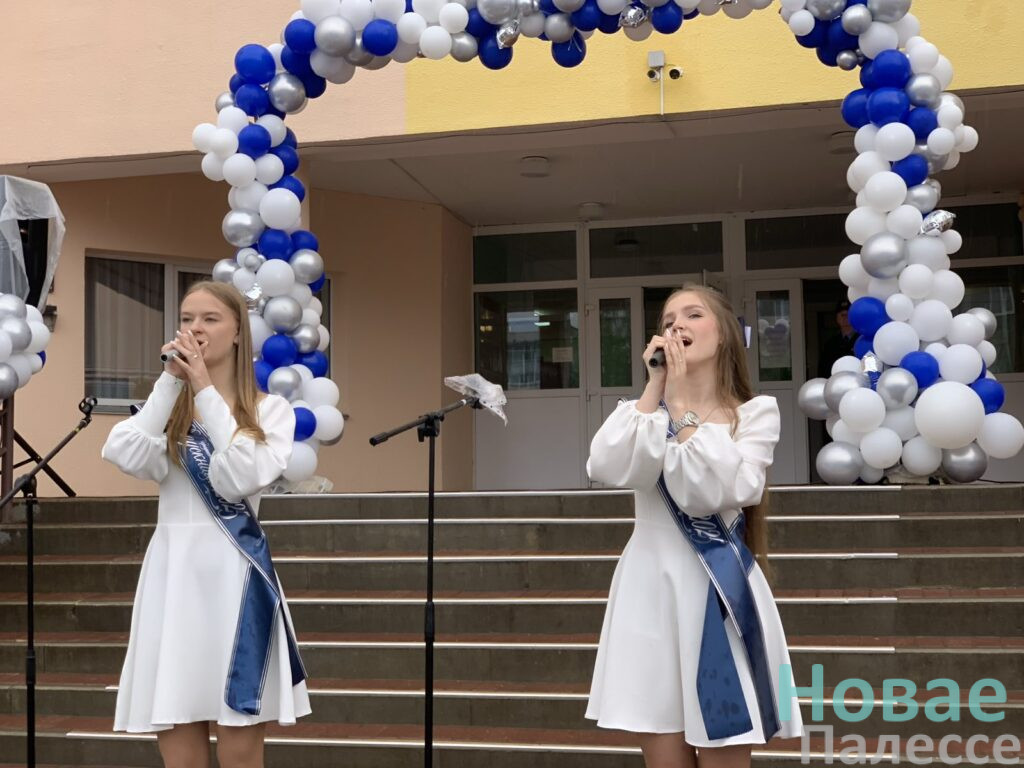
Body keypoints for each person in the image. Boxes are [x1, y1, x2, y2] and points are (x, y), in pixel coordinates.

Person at [585, 283, 802, 768]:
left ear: (723, 334)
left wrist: (683, 409)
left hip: (720, 593)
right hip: (650, 591)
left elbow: (711, 492)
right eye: (668, 321)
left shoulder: (754, 415)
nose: (677, 326)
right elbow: (605, 466)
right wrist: (657, 389)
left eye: (693, 315)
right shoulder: (643, 415)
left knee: (725, 744)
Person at [101, 281, 310, 768]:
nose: (195, 329)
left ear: (238, 332)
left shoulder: (270, 411)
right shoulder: (167, 412)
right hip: (173, 579)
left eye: (210, 319)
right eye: (187, 318)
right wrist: (170, 383)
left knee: (240, 746)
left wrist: (206, 392)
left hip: (235, 580)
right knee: (178, 742)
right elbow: (122, 451)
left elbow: (239, 477)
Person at [818, 299, 856, 378]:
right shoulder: (830, 344)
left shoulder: (862, 340)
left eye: (848, 315)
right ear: (837, 318)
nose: (845, 318)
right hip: (836, 383)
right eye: (842, 315)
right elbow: (823, 371)